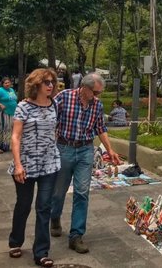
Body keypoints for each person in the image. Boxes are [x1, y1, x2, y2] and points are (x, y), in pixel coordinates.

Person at [50, 72, 120, 254]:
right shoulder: (64, 97)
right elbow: (49, 116)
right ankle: (54, 217)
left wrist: (110, 150)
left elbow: (100, 128)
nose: (97, 97)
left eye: (99, 93)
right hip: (64, 148)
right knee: (59, 192)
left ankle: (76, 235)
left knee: (82, 192)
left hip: (85, 150)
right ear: (84, 88)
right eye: (95, 93)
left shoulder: (97, 105)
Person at [8, 69, 60, 267]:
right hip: (26, 164)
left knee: (44, 208)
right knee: (23, 204)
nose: (50, 85)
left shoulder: (54, 104)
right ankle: (15, 241)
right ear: (36, 85)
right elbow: (16, 136)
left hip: (49, 165)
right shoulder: (24, 106)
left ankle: (41, 252)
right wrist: (18, 164)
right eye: (46, 82)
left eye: (52, 82)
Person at [0, 77, 18, 153]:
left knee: (8, 129)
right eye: (5, 83)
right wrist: (0, 104)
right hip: (3, 113)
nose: (7, 84)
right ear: (2, 84)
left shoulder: (11, 90)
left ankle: (5, 146)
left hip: (11, 113)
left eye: (8, 82)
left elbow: (13, 99)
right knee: (1, 129)